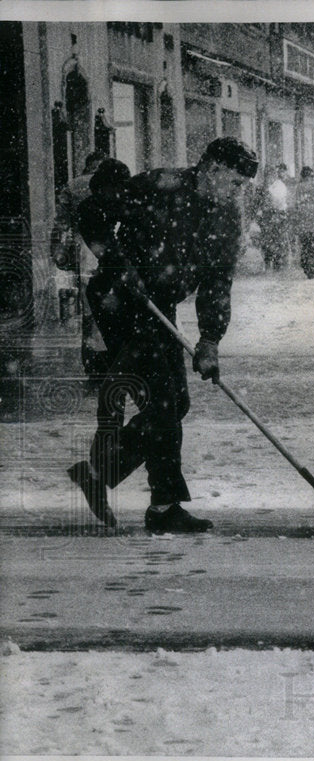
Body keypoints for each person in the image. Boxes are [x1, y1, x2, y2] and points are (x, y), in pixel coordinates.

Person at [68, 136, 259, 533]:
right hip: (121, 298)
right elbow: (91, 212)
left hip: (158, 308)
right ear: (213, 168)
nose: (238, 192)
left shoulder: (226, 218)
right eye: (236, 182)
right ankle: (160, 505)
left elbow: (218, 281)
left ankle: (108, 477)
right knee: (166, 402)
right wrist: (118, 262)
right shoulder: (160, 186)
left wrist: (210, 340)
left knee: (172, 405)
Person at [50, 150, 113, 381]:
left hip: (83, 250)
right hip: (108, 249)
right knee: (109, 308)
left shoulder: (72, 186)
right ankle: (108, 359)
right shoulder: (114, 183)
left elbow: (61, 224)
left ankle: (92, 363)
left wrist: (59, 253)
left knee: (89, 311)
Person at [258, 163, 290, 271]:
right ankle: (271, 261)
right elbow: (258, 202)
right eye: (268, 174)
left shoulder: (278, 185)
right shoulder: (264, 187)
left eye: (271, 174)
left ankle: (275, 262)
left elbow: (281, 201)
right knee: (271, 239)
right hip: (270, 215)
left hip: (275, 215)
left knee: (275, 239)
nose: (270, 176)